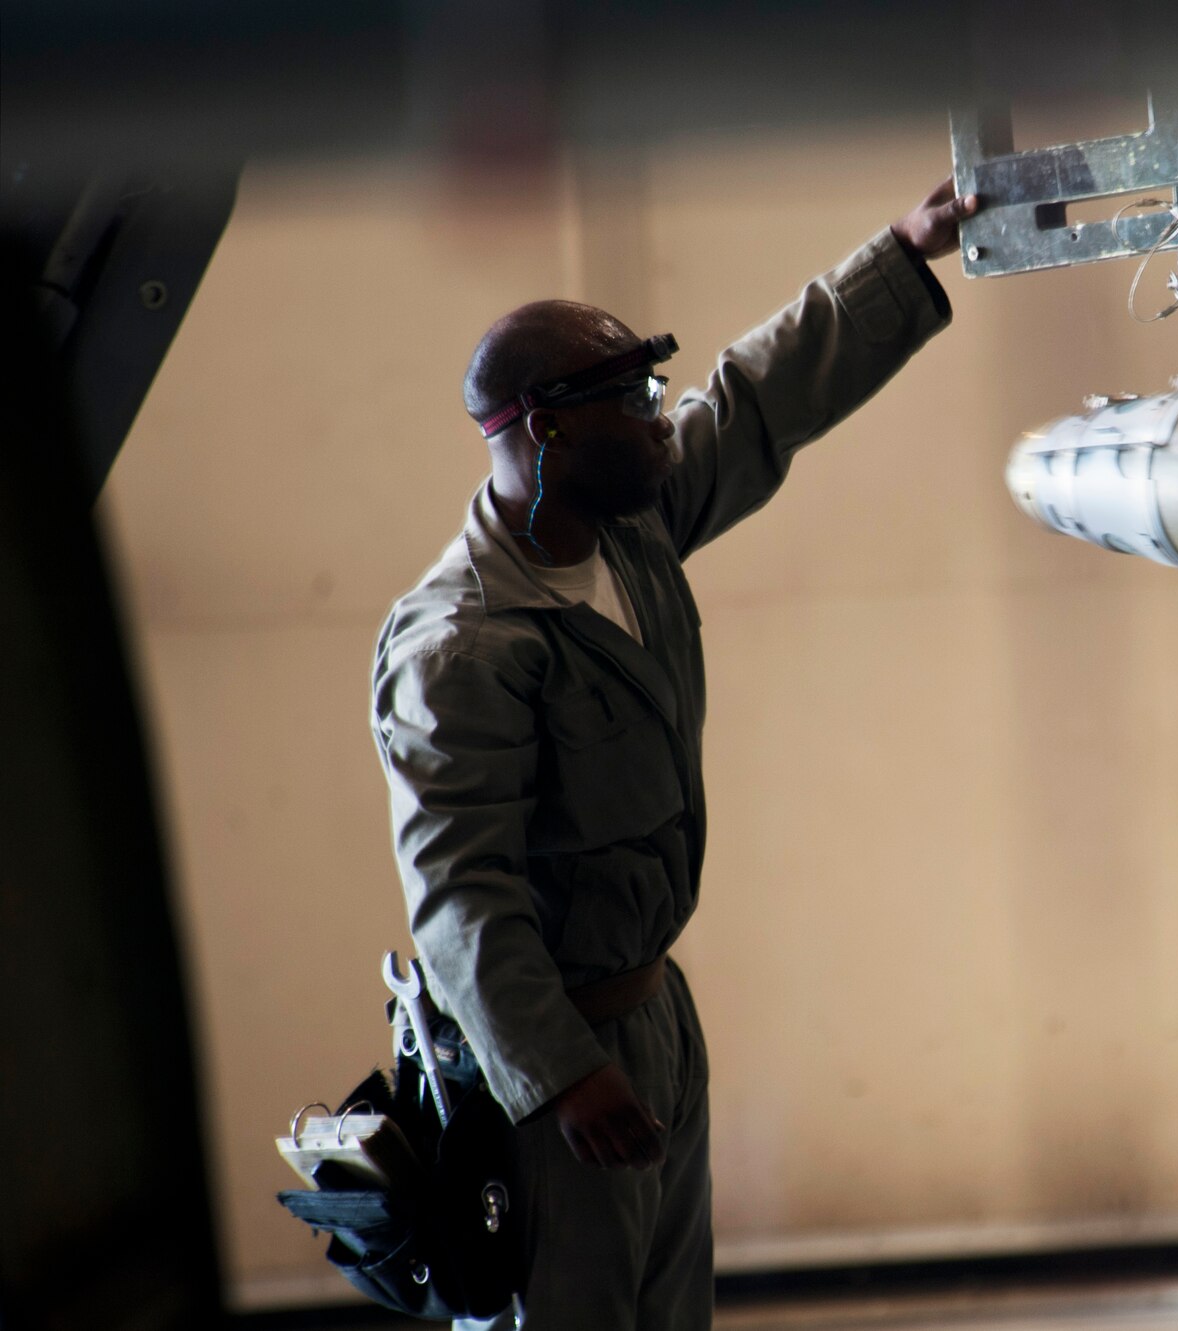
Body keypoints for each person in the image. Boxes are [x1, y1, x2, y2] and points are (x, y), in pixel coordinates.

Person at [371, 180, 976, 1329]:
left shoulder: (629, 531)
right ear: (544, 426)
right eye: (632, 400)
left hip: (651, 1012)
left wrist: (904, 250)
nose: (661, 417)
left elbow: (755, 403)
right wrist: (559, 1072)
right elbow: (459, 892)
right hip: (550, 1049)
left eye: (652, 392)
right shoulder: (464, 646)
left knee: (667, 1310)